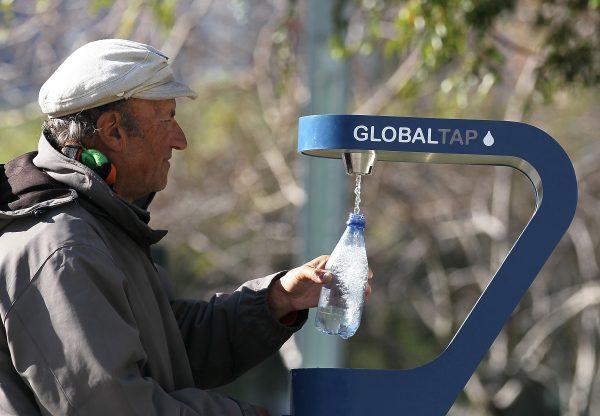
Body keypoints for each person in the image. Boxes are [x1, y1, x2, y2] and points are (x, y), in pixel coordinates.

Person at [0, 39, 372, 416]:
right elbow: (112, 406)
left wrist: (276, 300)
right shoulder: (63, 248)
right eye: (167, 119)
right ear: (113, 131)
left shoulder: (97, 226)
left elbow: (168, 347)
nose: (180, 140)